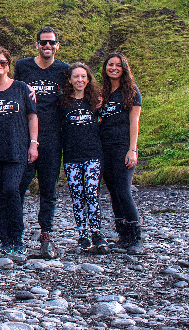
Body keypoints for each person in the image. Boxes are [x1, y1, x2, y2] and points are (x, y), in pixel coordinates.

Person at [14, 26, 70, 259]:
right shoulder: (23, 67)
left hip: (53, 138)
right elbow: (12, 92)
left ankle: (46, 234)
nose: (47, 46)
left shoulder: (64, 70)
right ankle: (15, 234)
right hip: (25, 138)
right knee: (18, 187)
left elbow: (78, 91)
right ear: (36, 45)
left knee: (49, 189)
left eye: (51, 43)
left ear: (57, 45)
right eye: (43, 42)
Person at [0, 47, 38, 261]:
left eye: (3, 62)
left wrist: (33, 144)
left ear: (9, 65)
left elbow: (33, 116)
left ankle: (18, 238)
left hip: (16, 149)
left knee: (12, 190)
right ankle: (4, 239)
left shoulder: (22, 88)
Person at [60, 62, 109, 254]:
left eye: (83, 76)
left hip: (93, 155)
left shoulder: (94, 102)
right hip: (72, 156)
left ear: (88, 79)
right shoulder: (63, 103)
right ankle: (83, 235)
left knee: (92, 194)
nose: (80, 80)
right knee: (77, 196)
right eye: (76, 77)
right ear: (70, 80)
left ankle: (97, 233)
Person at [99, 52, 144, 255]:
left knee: (124, 191)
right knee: (114, 192)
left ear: (124, 68)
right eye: (110, 65)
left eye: (118, 65)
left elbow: (134, 121)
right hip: (104, 147)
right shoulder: (104, 92)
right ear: (105, 68)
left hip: (123, 146)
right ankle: (122, 236)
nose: (114, 68)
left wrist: (132, 149)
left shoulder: (131, 91)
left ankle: (136, 238)